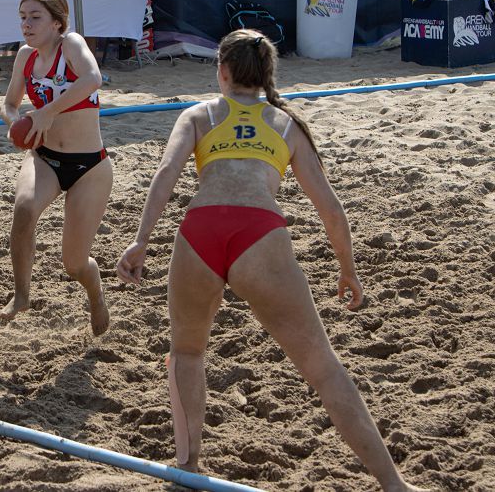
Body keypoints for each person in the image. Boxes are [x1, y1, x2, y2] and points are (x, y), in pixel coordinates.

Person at [115, 30, 426, 491]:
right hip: (258, 232)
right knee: (322, 367)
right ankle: (393, 484)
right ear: (266, 76)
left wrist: (141, 241)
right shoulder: (285, 124)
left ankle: (189, 463)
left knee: (186, 352)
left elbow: (166, 175)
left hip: (200, 229)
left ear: (221, 72)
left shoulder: (199, 114)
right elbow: (330, 207)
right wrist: (347, 268)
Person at [0, 0, 111, 336]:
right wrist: (16, 123)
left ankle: (95, 294)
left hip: (89, 166)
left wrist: (45, 112)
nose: (26, 25)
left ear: (57, 23)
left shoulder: (71, 45)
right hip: (45, 157)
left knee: (75, 264)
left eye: (35, 17)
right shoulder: (25, 57)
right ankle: (21, 295)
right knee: (24, 209)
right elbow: (9, 103)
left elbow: (94, 79)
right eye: (22, 18)